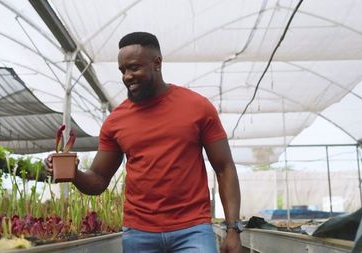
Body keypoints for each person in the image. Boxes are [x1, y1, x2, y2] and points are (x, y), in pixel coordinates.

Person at [47, 31, 242, 253]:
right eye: (123, 70)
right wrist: (74, 174)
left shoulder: (198, 107)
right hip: (139, 233)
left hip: (193, 230)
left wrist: (233, 229)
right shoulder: (116, 121)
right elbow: (99, 179)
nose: (127, 76)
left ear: (157, 63)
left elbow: (224, 167)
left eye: (134, 67)